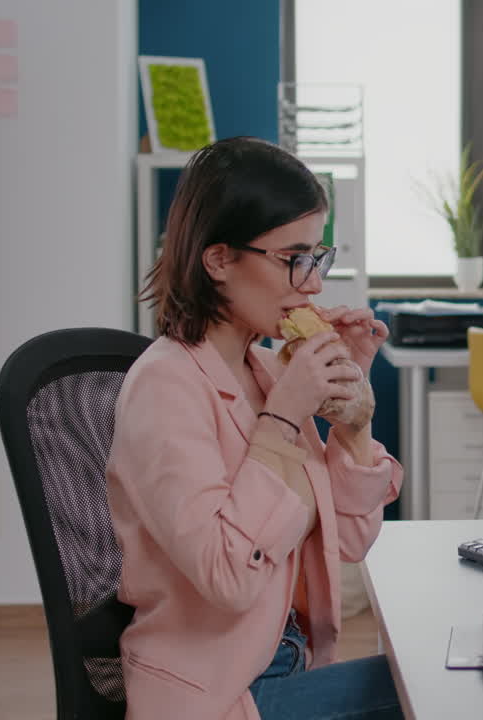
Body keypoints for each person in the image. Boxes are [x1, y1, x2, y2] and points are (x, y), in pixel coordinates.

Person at [106, 137, 402, 720]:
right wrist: (285, 419)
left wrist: (353, 422)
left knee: (440, 673)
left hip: (286, 663)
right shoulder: (164, 386)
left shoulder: (268, 369)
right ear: (218, 260)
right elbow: (228, 578)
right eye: (293, 258)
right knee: (429, 689)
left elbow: (350, 542)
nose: (313, 284)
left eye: (317, 257)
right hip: (220, 693)